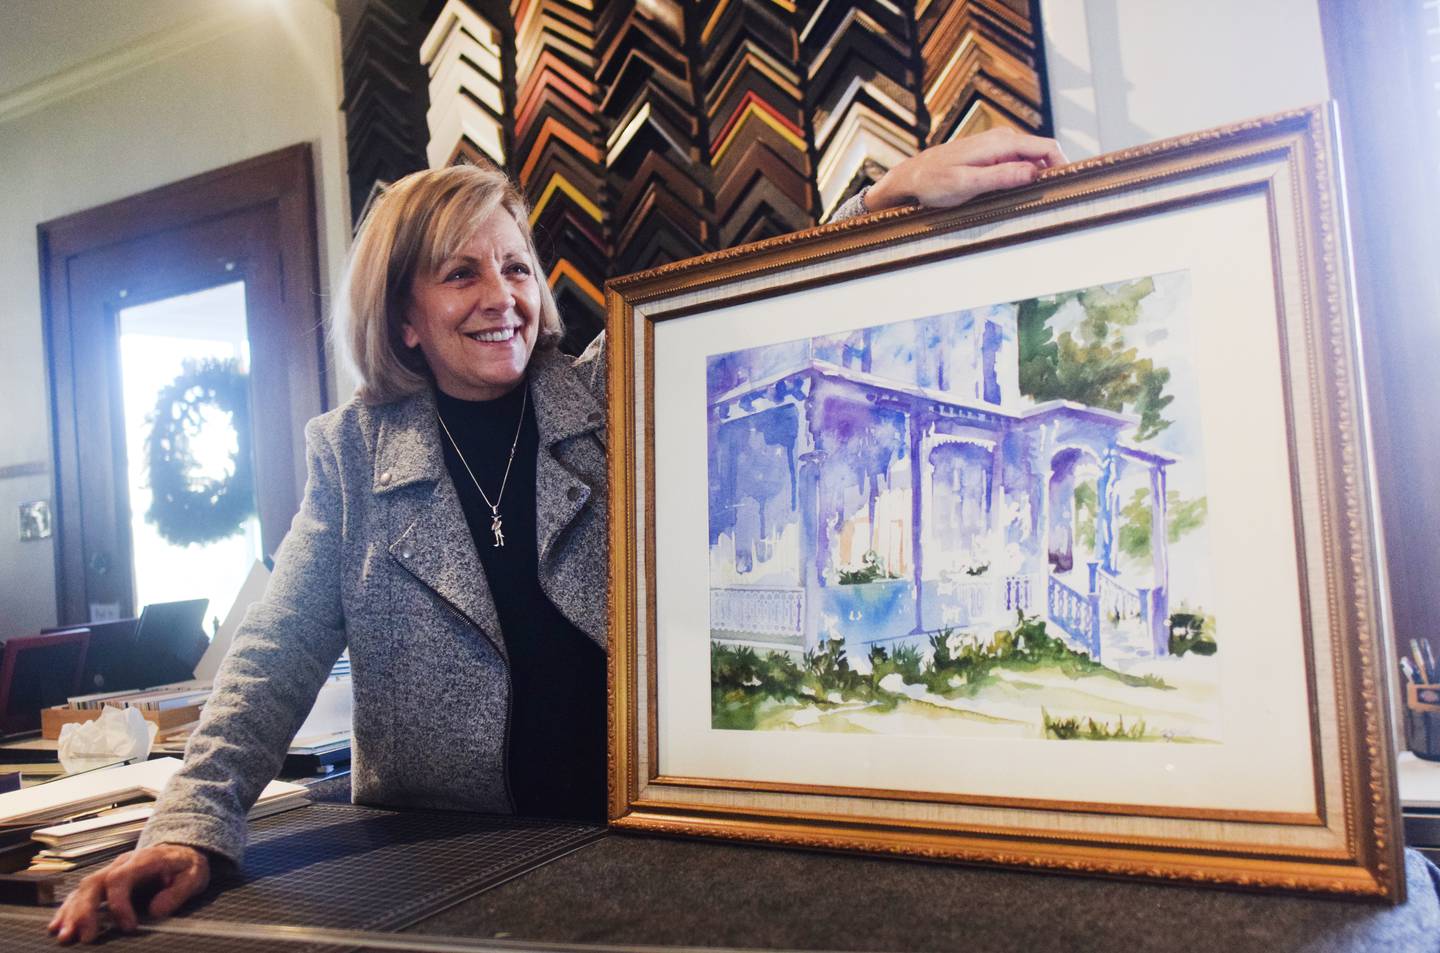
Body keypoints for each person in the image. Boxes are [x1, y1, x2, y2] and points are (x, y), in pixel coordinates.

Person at [48, 126, 1065, 945]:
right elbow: (269, 660)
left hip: (635, 850)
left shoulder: (611, 394)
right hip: (434, 866)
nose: (503, 300)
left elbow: (750, 310)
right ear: (404, 314)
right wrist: (188, 824)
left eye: (518, 268)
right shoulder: (348, 456)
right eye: (461, 275)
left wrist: (881, 202)